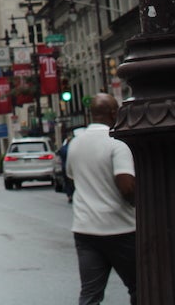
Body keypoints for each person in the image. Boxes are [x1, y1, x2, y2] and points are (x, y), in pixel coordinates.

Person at [65, 92, 136, 305]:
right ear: (114, 113)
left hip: (85, 229)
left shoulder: (75, 143)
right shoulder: (117, 143)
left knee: (90, 294)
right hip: (121, 229)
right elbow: (126, 186)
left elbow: (71, 176)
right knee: (139, 287)